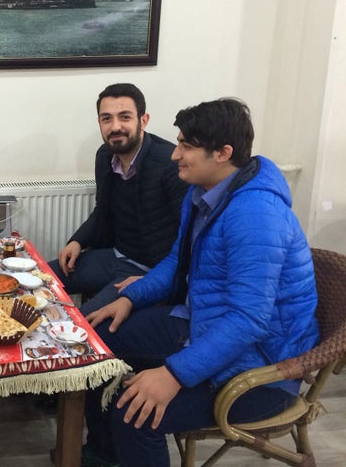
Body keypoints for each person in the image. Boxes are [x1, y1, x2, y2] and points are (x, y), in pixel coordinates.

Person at [81, 98, 319, 467]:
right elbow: (178, 261)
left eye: (186, 146)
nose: (175, 154)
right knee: (95, 345)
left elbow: (248, 321)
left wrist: (173, 374)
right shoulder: (205, 192)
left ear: (223, 153)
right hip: (202, 325)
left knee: (133, 414)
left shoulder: (255, 214)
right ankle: (101, 456)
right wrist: (131, 298)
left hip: (262, 370)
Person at [51, 83, 188, 315]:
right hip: (114, 256)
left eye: (125, 117)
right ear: (99, 123)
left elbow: (190, 239)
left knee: (83, 323)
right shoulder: (105, 155)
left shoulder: (170, 164)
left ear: (143, 120)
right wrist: (77, 241)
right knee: (38, 279)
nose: (115, 127)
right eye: (107, 119)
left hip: (149, 271)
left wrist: (155, 281)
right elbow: (102, 210)